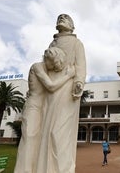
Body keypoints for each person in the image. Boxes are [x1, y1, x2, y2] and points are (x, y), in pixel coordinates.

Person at [35, 14, 86, 173]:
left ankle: (63, 168)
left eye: (66, 17)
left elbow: (81, 65)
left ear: (72, 26)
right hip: (50, 89)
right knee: (46, 129)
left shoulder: (77, 43)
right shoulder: (52, 43)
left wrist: (78, 82)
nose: (62, 18)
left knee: (58, 131)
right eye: (59, 17)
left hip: (67, 88)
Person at [14, 47, 75, 173]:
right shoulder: (37, 67)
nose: (52, 68)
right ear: (48, 59)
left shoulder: (45, 70)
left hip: (42, 107)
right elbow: (51, 87)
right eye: (52, 64)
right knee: (29, 138)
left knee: (36, 140)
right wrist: (68, 76)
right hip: (33, 107)